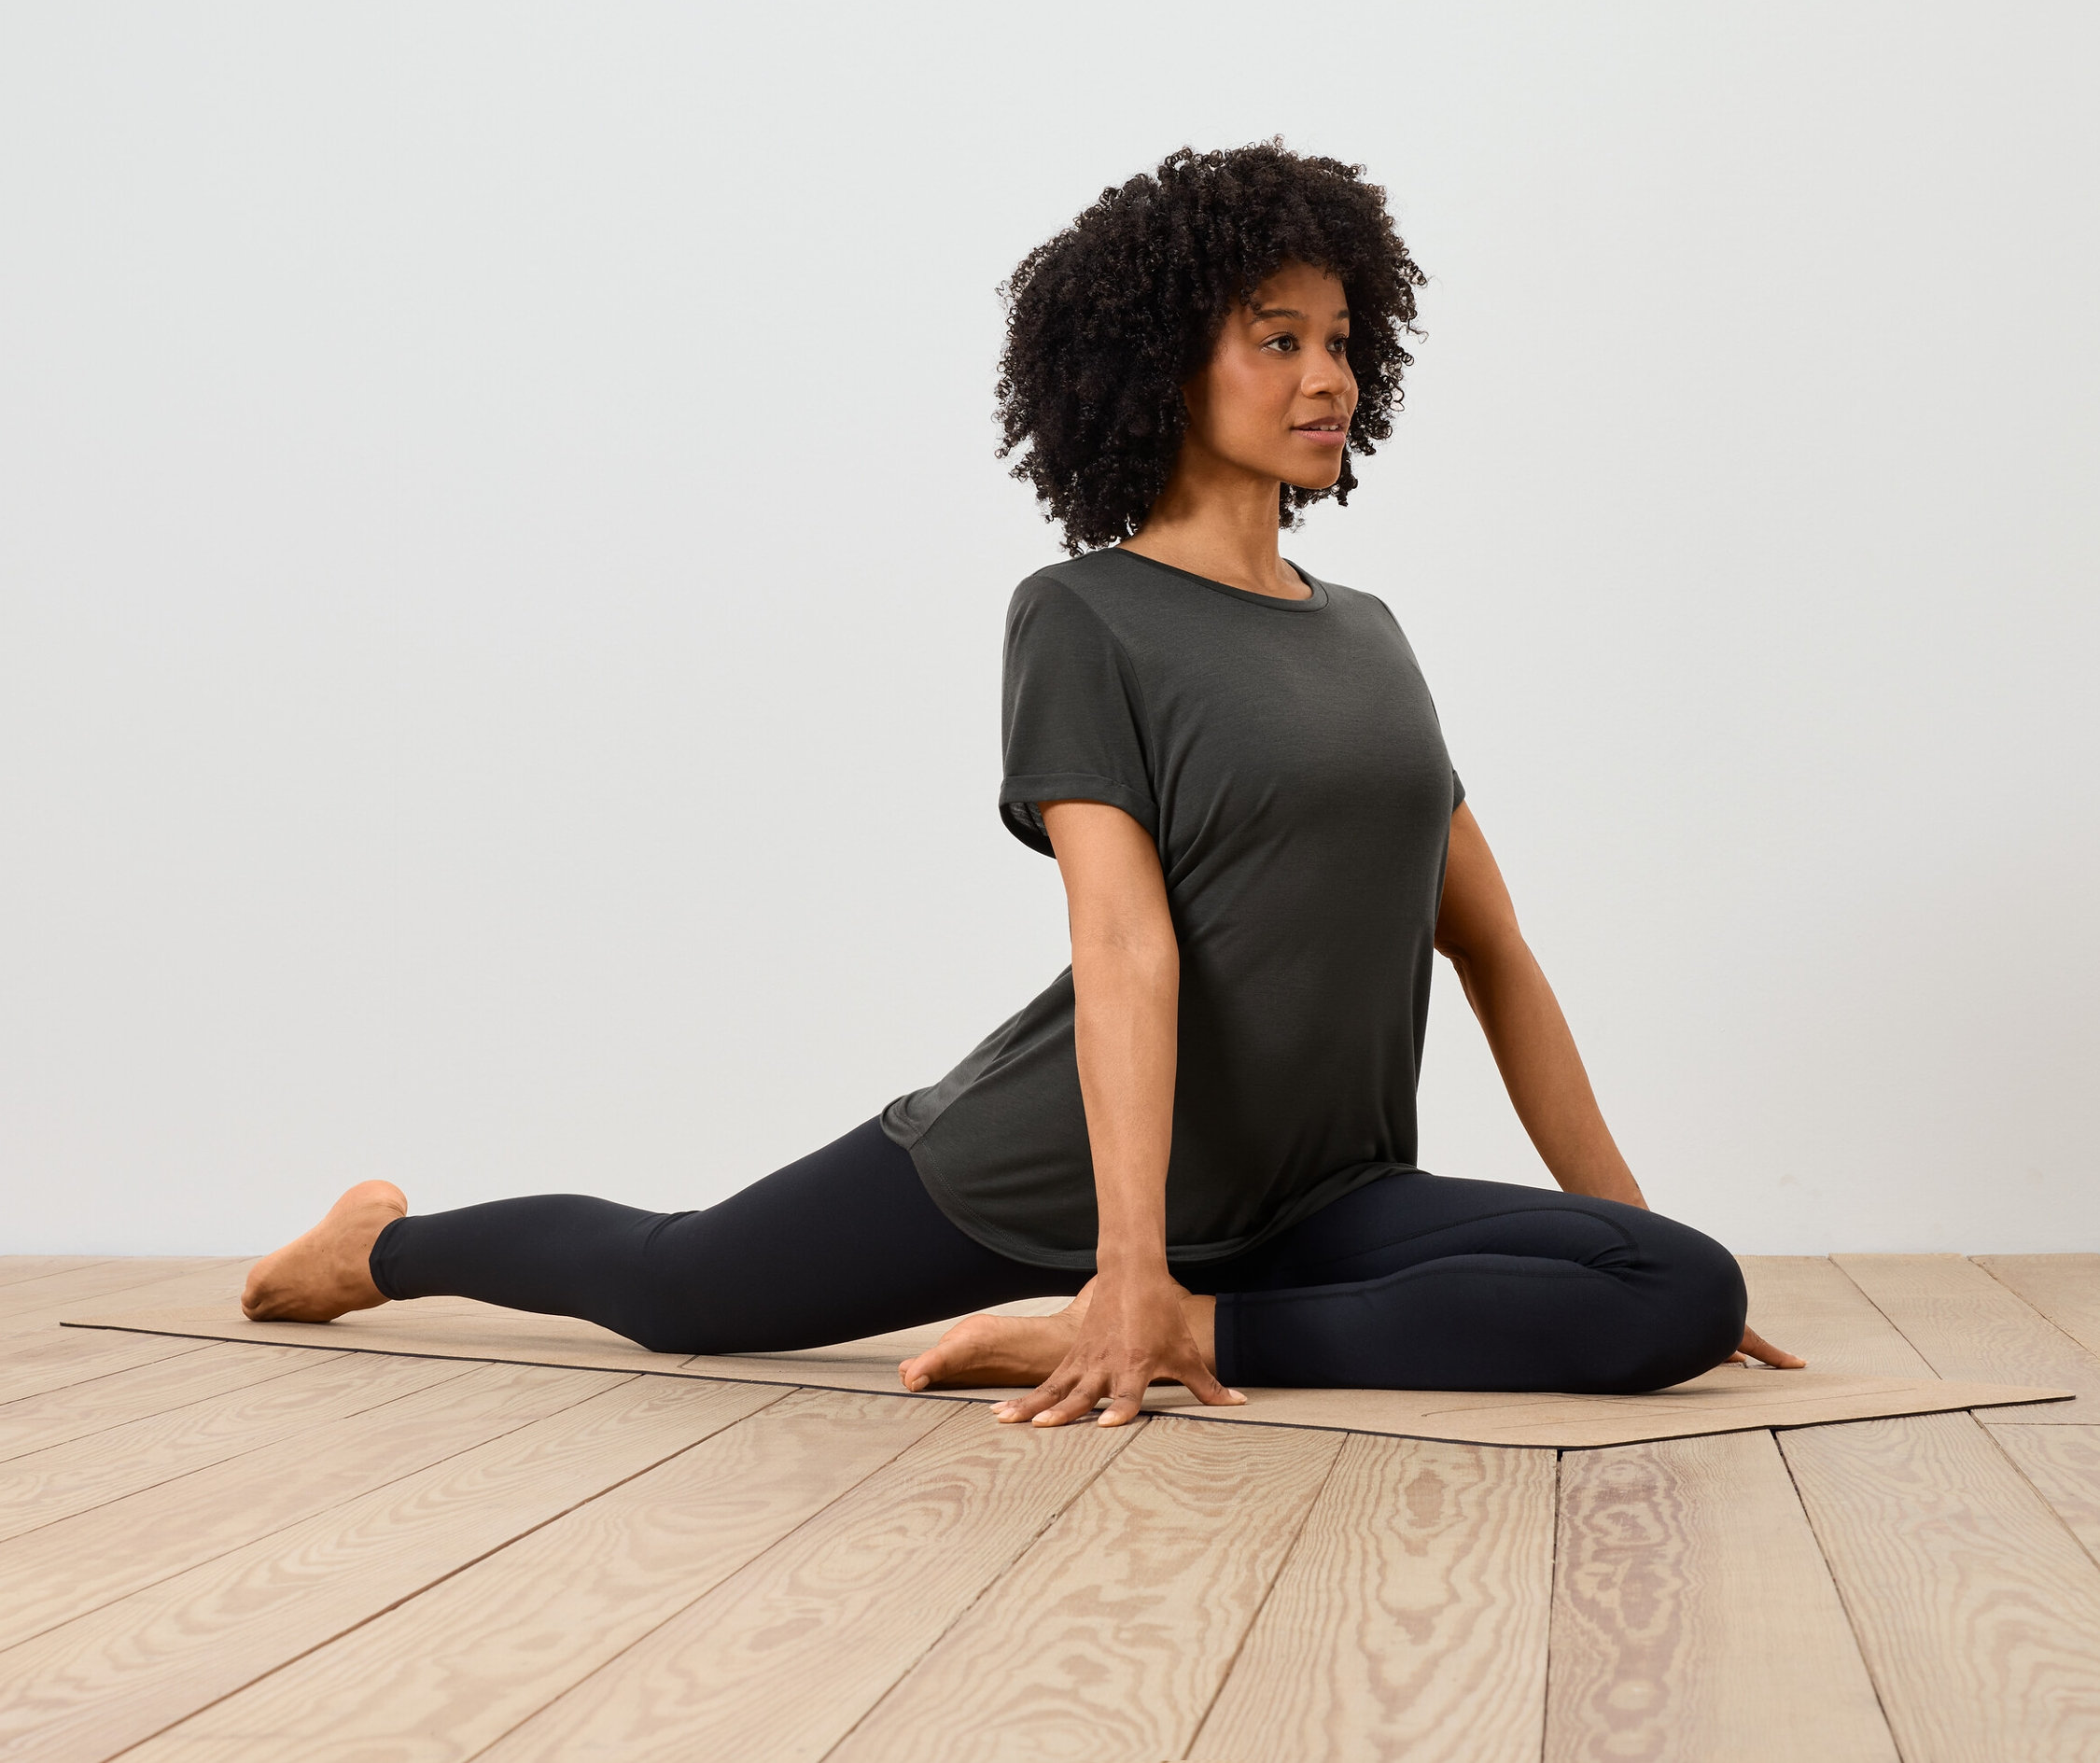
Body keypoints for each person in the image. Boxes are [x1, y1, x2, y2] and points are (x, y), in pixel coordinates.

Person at [244, 142, 1801, 1429]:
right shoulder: (1084, 615)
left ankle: (1204, 1326)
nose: (1325, 374)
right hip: (1043, 1171)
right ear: (1162, 365)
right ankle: (384, 1243)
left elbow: (1492, 948)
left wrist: (1632, 1224)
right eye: (1277, 339)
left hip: (1313, 1198)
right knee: (683, 1287)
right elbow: (1122, 945)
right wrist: (1125, 1262)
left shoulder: (1371, 636)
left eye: (1339, 340)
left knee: (1680, 1288)